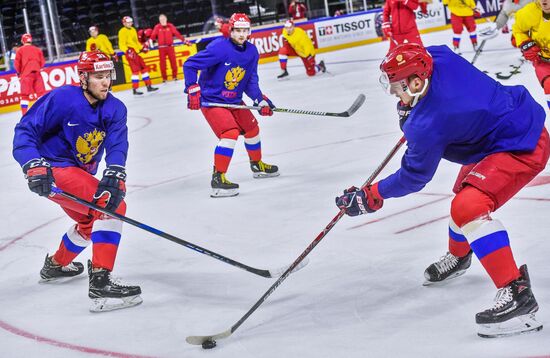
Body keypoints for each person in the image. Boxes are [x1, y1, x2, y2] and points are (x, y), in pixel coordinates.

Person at [335, 43, 547, 338]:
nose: (394, 94)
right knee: (463, 194)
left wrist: (371, 195)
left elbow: (413, 177)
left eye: (397, 87)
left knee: (468, 206)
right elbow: (423, 54)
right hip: (507, 124)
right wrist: (416, 110)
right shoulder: (439, 57)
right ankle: (460, 256)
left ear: (417, 81)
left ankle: (518, 295)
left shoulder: (428, 124)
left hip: (521, 144)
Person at [12, 51, 142, 312]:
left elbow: (118, 143)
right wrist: (32, 164)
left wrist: (115, 170)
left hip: (77, 172)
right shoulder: (63, 98)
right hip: (53, 170)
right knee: (111, 207)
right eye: (98, 77)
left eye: (108, 76)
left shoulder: (115, 108)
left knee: (89, 220)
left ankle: (56, 265)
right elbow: (25, 131)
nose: (105, 82)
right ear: (83, 78)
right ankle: (101, 281)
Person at [183, 13, 280, 198]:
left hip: (235, 101)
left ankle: (257, 165)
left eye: (245, 31)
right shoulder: (219, 48)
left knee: (252, 129)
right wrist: (192, 87)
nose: (242, 35)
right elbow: (190, 64)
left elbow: (250, 81)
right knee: (229, 133)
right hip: (213, 101)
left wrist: (259, 99)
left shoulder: (252, 52)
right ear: (231, 30)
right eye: (238, 31)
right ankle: (218, 179)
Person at [513, 0, 550, 110]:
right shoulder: (528, 12)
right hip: (542, 60)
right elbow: (518, 30)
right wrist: (525, 43)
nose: (544, 1)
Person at [118, 16, 158, 95]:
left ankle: (148, 86)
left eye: (131, 22)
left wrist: (142, 48)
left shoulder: (133, 30)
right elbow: (121, 44)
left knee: (143, 68)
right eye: (128, 22)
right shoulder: (122, 31)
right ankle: (135, 89)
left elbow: (136, 42)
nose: (130, 24)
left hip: (135, 52)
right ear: (124, 23)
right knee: (135, 71)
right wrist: (127, 51)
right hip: (130, 53)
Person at [150, 14, 188, 82]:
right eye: (161, 20)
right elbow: (153, 36)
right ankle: (164, 78)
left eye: (163, 19)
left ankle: (175, 76)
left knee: (173, 62)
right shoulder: (157, 27)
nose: (163, 21)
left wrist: (184, 40)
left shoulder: (170, 26)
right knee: (162, 64)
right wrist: (149, 43)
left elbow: (177, 34)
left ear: (166, 19)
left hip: (170, 47)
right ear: (159, 20)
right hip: (161, 48)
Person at [14, 33, 46, 115]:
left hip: (26, 75)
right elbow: (42, 63)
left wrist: (19, 74)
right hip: (37, 74)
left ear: (22, 41)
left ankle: (24, 115)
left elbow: (17, 65)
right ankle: (43, 113)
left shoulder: (20, 50)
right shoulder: (37, 49)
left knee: (25, 96)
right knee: (41, 95)